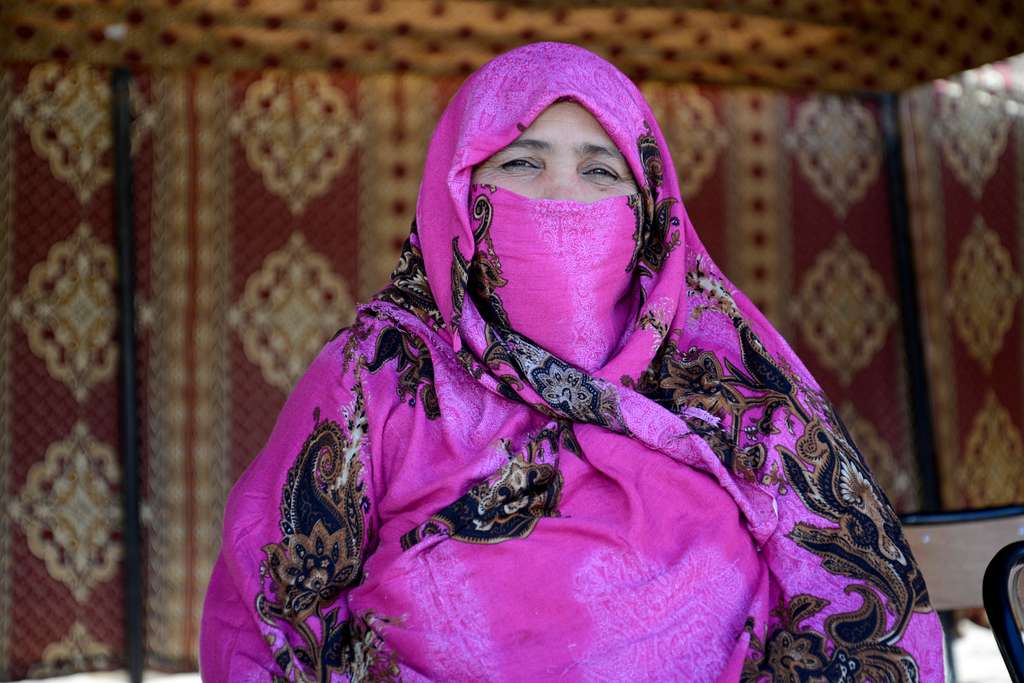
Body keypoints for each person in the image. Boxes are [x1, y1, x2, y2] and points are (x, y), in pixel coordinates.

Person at [200, 42, 944, 681]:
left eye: (599, 172)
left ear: (650, 208)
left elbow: (860, 602)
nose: (561, 199)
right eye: (523, 162)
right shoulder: (379, 374)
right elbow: (270, 608)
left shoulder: (734, 386)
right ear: (458, 192)